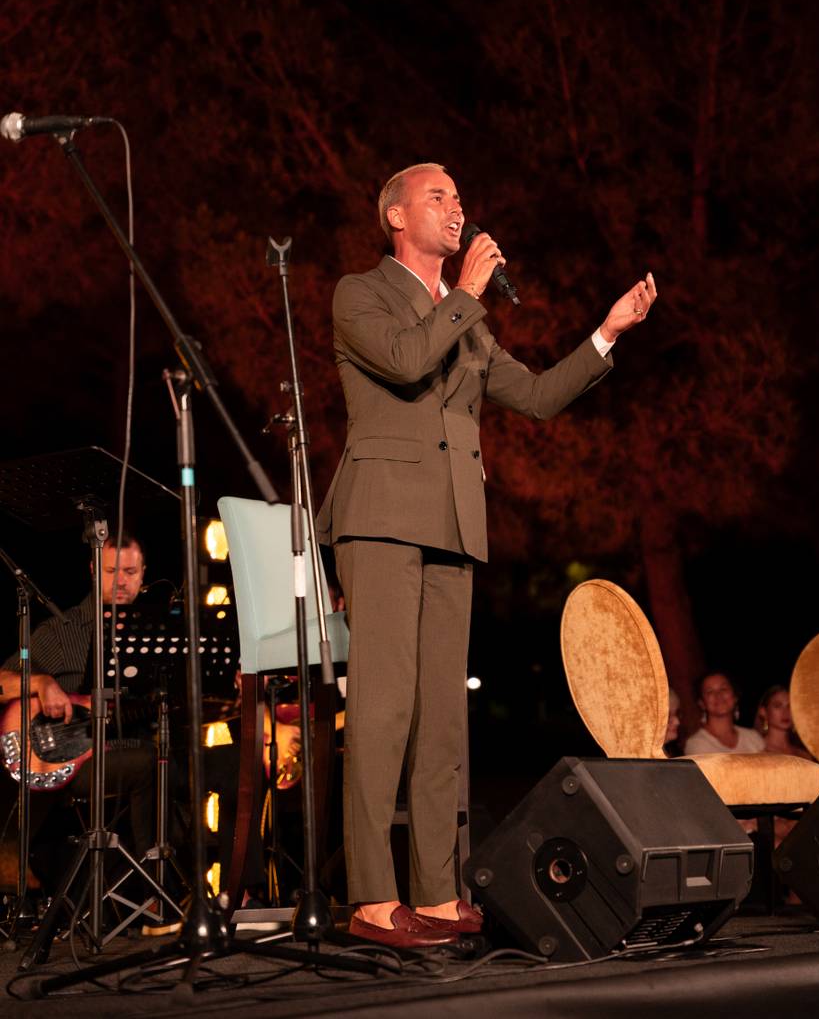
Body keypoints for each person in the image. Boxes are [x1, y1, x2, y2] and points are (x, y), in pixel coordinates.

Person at [316, 162, 656, 946]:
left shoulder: (466, 320)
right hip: (383, 517)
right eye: (438, 197)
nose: (456, 208)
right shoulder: (360, 292)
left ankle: (436, 892)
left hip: (452, 523)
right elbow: (405, 361)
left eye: (460, 198)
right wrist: (465, 292)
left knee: (442, 717)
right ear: (396, 216)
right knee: (384, 708)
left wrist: (607, 332)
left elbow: (535, 396)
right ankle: (372, 896)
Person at [0, 533, 156, 882]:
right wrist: (41, 683)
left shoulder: (156, 632)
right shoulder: (62, 631)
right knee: (150, 761)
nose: (120, 581)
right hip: (74, 760)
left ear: (144, 573)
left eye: (130, 572)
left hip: (130, 744)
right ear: (93, 570)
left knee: (175, 760)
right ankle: (152, 886)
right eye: (111, 571)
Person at [684, 671, 765, 756]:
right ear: (702, 703)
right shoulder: (697, 744)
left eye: (723, 689)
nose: (718, 695)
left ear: (735, 696)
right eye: (710, 691)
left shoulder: (753, 737)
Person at [756, 685, 813, 760]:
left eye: (790, 706)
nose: (786, 712)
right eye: (777, 706)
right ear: (763, 712)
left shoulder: (804, 754)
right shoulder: (755, 749)